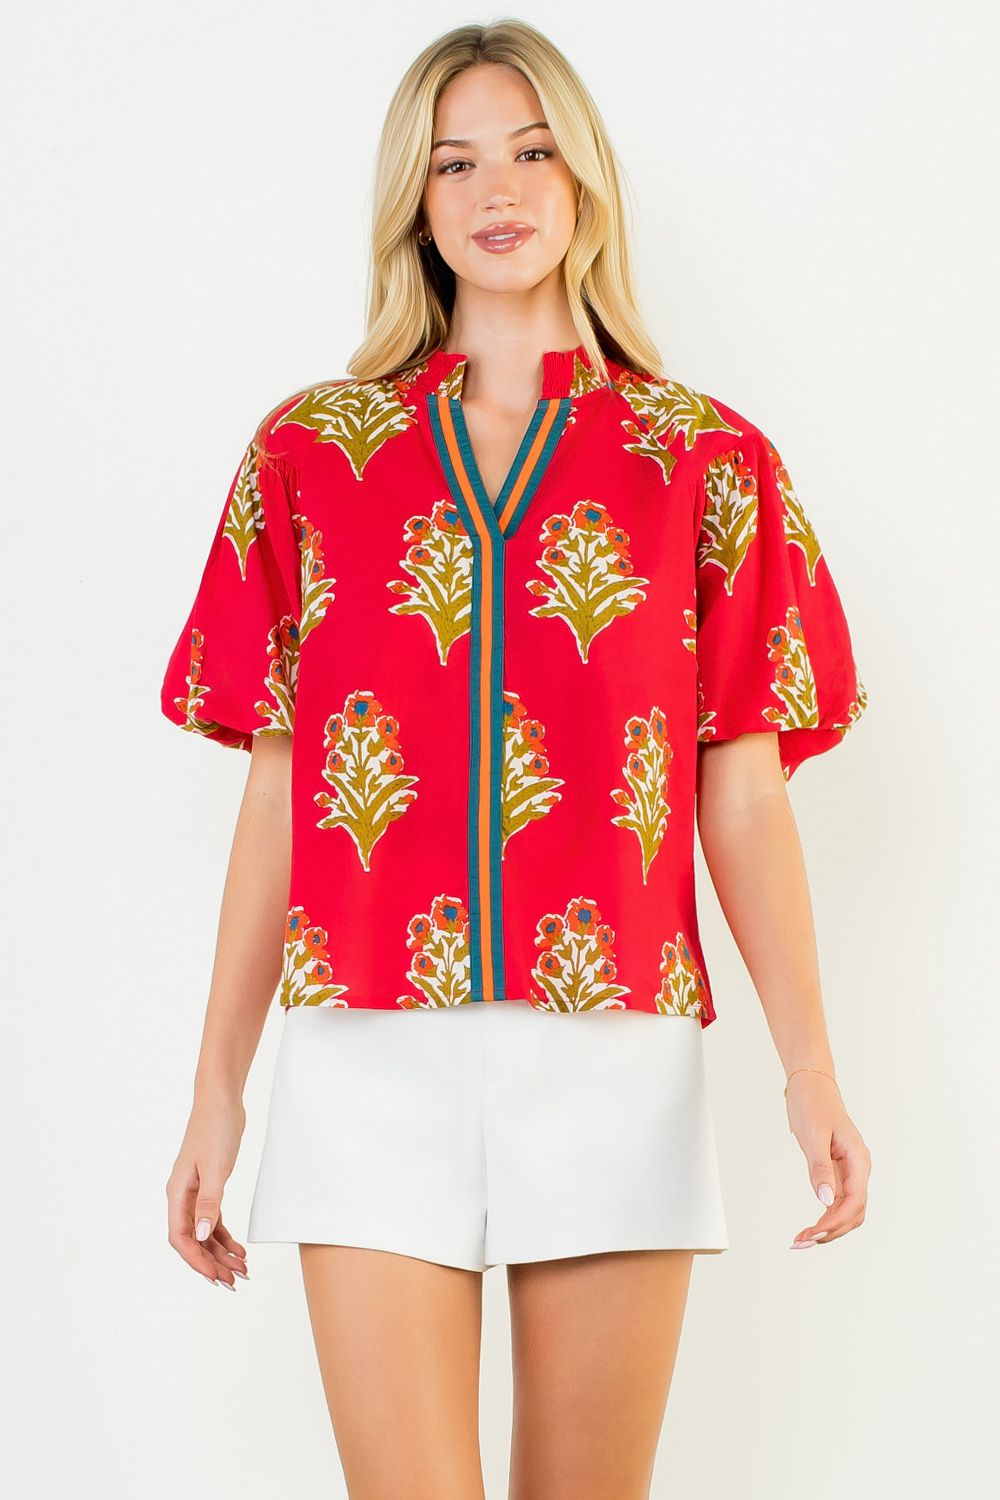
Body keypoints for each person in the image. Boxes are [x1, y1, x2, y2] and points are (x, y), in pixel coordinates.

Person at [161, 19, 872, 1499]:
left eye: (533, 150)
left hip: (613, 1043)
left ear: (584, 178)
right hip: (366, 1046)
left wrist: (810, 1072)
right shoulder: (310, 455)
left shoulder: (704, 460)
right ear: (413, 203)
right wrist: (217, 1088)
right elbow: (281, 790)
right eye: (455, 162)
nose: (499, 188)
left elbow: (741, 792)